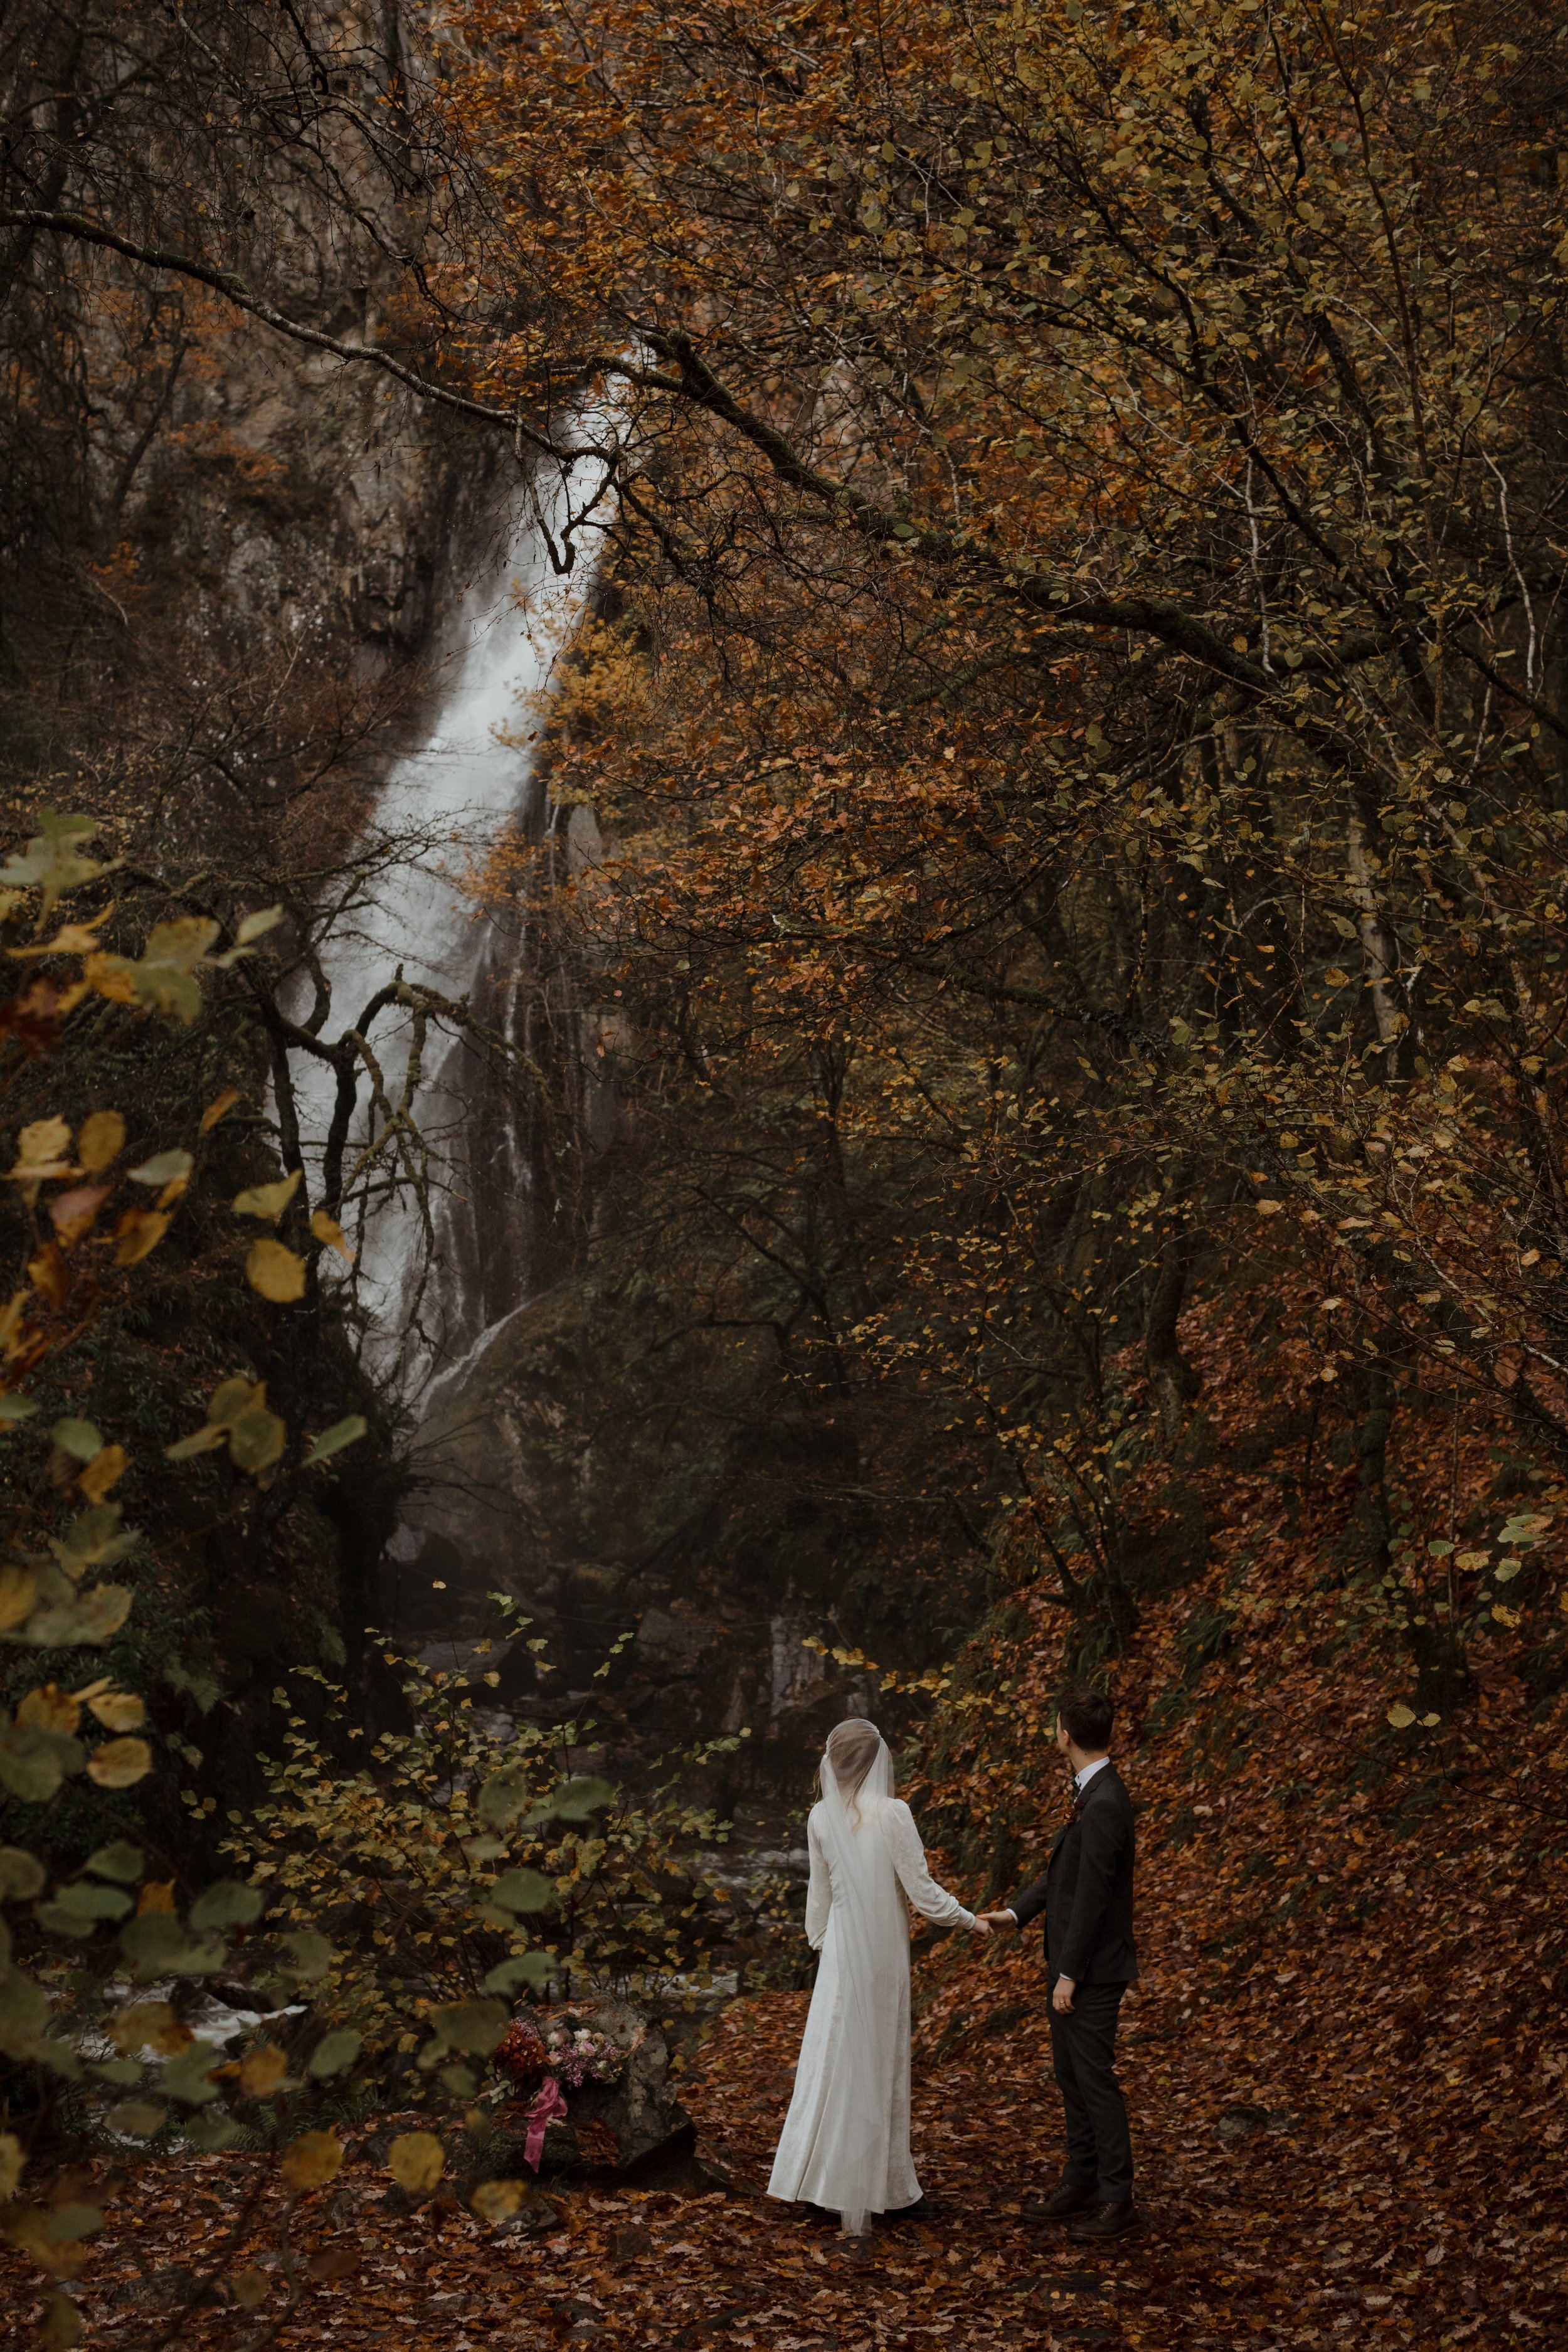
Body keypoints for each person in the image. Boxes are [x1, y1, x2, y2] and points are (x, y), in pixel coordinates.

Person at [768, 1716, 991, 2236]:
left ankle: (821, 2180)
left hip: (843, 1953)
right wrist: (970, 1920)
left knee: (832, 2061)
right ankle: (881, 2185)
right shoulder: (893, 1814)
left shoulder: (821, 1816)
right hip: (881, 1955)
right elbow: (923, 1892)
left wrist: (827, 1947)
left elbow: (817, 1902)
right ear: (875, 1763)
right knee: (878, 2064)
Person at [978, 1682, 1139, 2241]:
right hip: (1070, 1964)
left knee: (1095, 2080)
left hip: (1092, 1970)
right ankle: (1082, 2181)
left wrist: (1069, 1975)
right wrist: (1015, 1914)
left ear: (1064, 1734)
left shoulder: (1106, 1802)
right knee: (1071, 2077)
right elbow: (1064, 1877)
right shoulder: (1090, 1792)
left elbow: (1094, 1899)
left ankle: (1118, 2199)